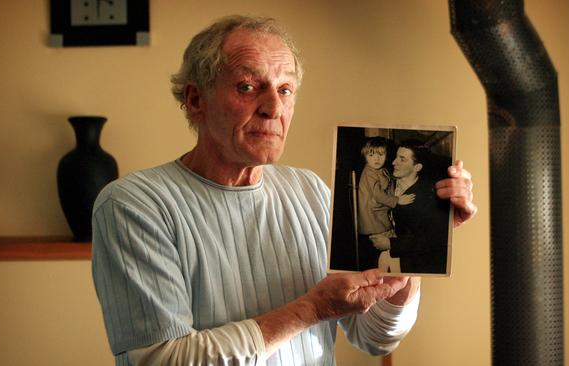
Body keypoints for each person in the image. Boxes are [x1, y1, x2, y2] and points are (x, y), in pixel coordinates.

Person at [91, 15, 477, 365]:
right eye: (247, 86)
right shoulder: (134, 204)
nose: (273, 107)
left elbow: (373, 337)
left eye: (286, 89)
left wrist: (419, 238)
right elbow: (161, 360)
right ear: (195, 100)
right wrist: (309, 310)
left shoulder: (309, 190)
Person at [371, 140, 459, 274]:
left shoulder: (427, 197)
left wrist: (391, 244)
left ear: (417, 167)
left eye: (402, 159)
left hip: (415, 264)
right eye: (396, 157)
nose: (394, 162)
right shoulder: (391, 182)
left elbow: (431, 239)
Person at [356, 136, 415, 271]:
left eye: (381, 155)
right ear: (365, 156)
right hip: (373, 219)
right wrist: (397, 200)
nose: (376, 159)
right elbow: (378, 195)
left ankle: (391, 271)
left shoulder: (381, 170)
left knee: (389, 250)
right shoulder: (369, 173)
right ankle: (389, 272)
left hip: (379, 214)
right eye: (371, 155)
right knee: (387, 246)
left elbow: (389, 183)